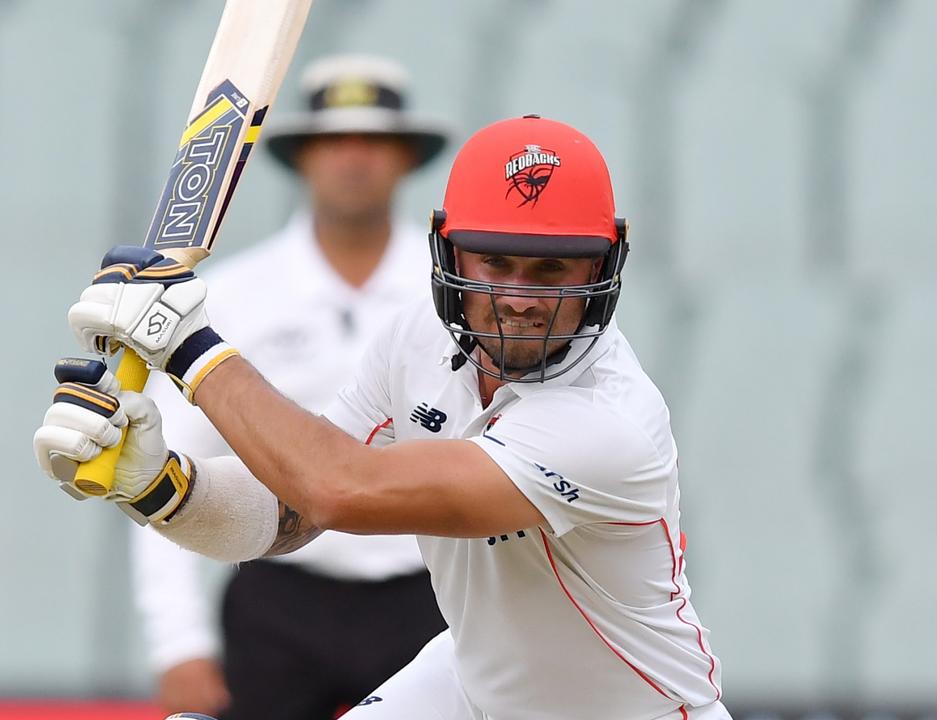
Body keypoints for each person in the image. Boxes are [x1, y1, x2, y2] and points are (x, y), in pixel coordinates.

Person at [35, 114, 729, 720]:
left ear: (603, 266)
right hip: (472, 678)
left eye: (552, 270)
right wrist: (160, 485)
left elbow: (339, 489)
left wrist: (189, 348)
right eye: (494, 262)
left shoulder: (609, 422)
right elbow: (289, 511)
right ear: (447, 250)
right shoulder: (416, 341)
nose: (518, 297)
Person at [128, 54, 452, 720]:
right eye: (335, 141)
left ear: (405, 158)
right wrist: (180, 644)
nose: (354, 160)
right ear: (304, 156)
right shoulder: (235, 295)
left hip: (431, 593)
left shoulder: (452, 297)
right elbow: (160, 465)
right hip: (274, 593)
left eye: (374, 141)